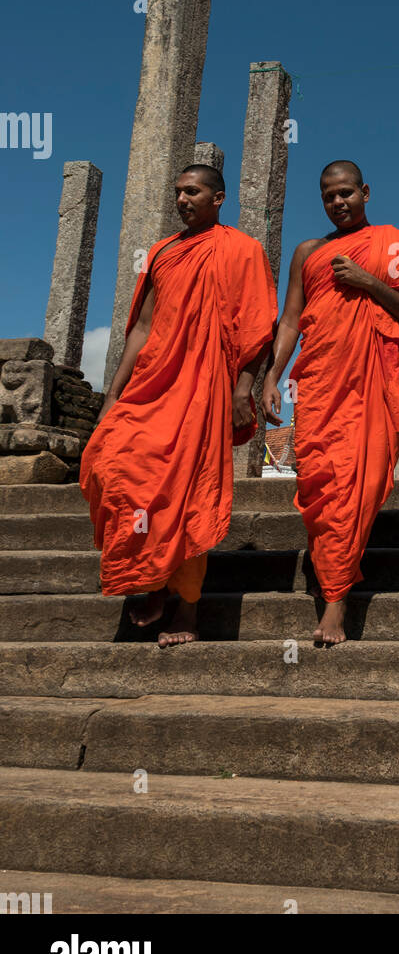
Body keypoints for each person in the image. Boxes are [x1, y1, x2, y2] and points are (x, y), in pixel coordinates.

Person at [81, 165, 278, 646]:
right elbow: (143, 327)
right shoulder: (163, 252)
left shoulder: (242, 250)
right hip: (154, 381)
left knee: (187, 492)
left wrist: (241, 390)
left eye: (193, 191)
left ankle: (185, 609)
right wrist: (113, 393)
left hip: (206, 386)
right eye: (177, 192)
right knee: (108, 463)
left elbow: (256, 328)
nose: (183, 199)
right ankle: (147, 578)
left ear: (219, 197)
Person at [262, 160, 399, 646]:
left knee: (360, 481)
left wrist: (369, 282)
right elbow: (290, 321)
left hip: (371, 381)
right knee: (322, 483)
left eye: (347, 193)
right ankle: (331, 574)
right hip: (320, 383)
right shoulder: (307, 252)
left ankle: (336, 601)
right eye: (329, 196)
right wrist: (271, 377)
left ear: (366, 192)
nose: (338, 202)